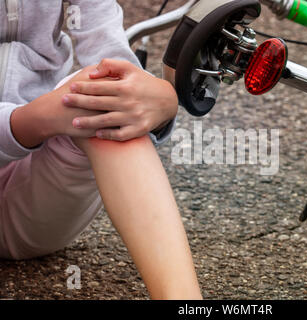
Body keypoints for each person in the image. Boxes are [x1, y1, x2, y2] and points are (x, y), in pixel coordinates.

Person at [0, 0, 202, 299]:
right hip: (25, 128)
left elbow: (118, 72)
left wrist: (159, 102)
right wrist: (29, 121)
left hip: (29, 206)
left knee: (103, 102)